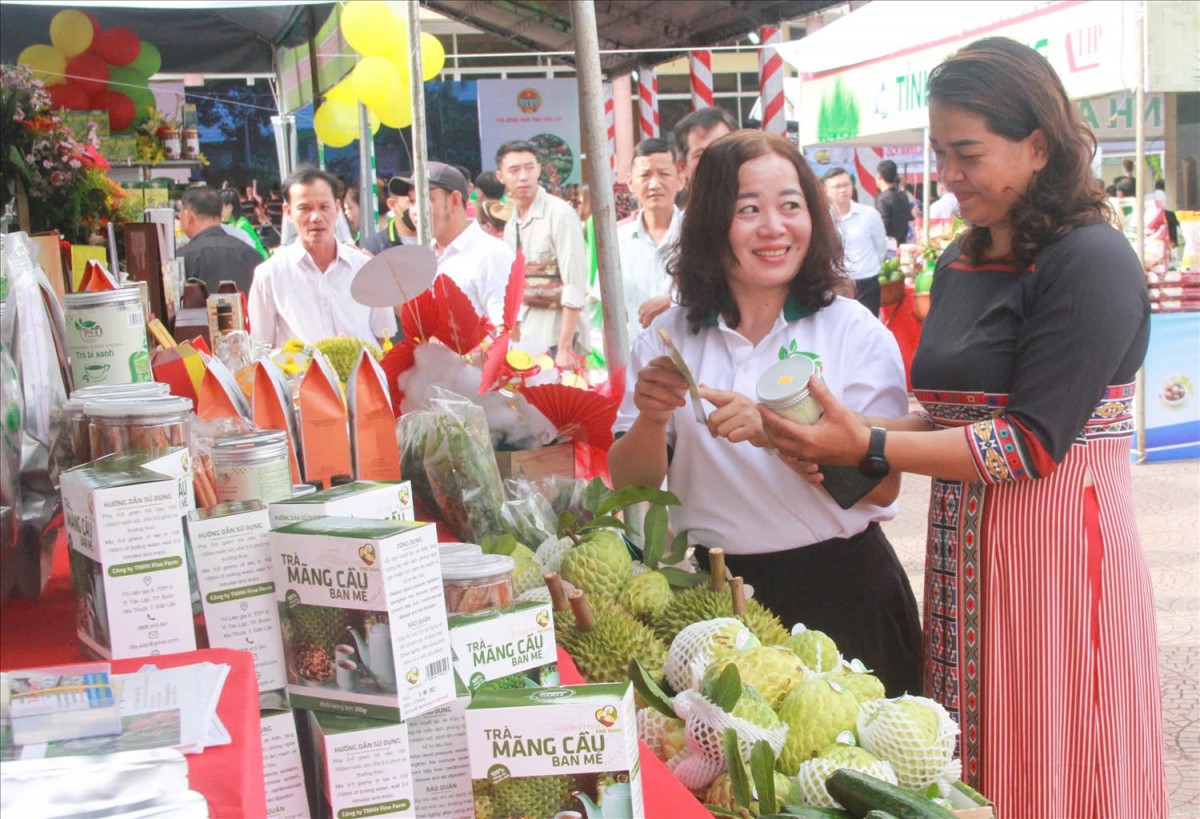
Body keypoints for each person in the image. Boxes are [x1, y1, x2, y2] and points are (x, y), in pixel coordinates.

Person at [765, 37, 1166, 816]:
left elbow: (1030, 442)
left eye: (967, 154)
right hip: (960, 577)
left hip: (1059, 575)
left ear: (1038, 144)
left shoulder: (1091, 262)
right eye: (940, 152)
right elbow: (944, 417)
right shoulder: (957, 262)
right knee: (967, 765)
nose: (947, 176)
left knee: (1061, 767)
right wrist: (834, 432)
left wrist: (869, 442)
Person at [607, 130, 921, 697]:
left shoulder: (853, 331)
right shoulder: (666, 336)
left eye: (791, 206)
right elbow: (631, 485)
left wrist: (775, 434)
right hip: (712, 605)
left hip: (843, 593)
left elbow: (882, 489)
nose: (774, 228)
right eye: (748, 209)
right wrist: (653, 418)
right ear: (708, 223)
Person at [248, 167, 396, 348]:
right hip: (301, 376)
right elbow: (260, 348)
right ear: (288, 212)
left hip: (362, 375)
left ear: (337, 208)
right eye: (304, 208)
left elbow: (384, 337)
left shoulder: (367, 268)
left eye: (324, 207)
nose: (316, 217)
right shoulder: (270, 274)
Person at [497, 139, 589, 367]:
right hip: (526, 337)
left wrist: (565, 346)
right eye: (514, 170)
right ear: (501, 177)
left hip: (556, 338)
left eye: (529, 167)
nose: (523, 176)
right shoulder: (511, 225)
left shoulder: (560, 214)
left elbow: (575, 284)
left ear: (539, 169)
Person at [401, 162, 513, 327]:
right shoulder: (424, 257)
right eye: (411, 201)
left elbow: (506, 332)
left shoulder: (491, 255)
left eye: (425, 200)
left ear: (454, 200)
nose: (416, 210)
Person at [617, 138, 684, 344]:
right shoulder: (617, 241)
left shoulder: (699, 235)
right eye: (645, 175)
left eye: (664, 174)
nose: (654, 184)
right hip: (636, 359)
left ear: (681, 179)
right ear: (630, 182)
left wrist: (673, 303)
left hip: (692, 359)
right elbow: (603, 311)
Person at [823, 167, 887, 316]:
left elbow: (880, 247)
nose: (843, 190)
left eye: (847, 185)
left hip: (866, 283)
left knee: (867, 329)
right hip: (837, 284)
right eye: (837, 186)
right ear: (826, 190)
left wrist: (868, 268)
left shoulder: (869, 215)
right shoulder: (823, 220)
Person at [178, 187, 263, 294]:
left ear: (188, 216)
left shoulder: (183, 258)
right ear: (221, 214)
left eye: (180, 213)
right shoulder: (251, 253)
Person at [672, 106, 738, 206]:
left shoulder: (762, 214)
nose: (714, 160)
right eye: (701, 155)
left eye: (722, 150)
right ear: (682, 167)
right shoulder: (678, 221)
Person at [361, 176, 417, 255]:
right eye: (411, 201)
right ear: (392, 204)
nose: (416, 208)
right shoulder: (375, 247)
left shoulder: (436, 241)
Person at [219, 189, 269, 259]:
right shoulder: (232, 224)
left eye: (219, 207)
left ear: (230, 207)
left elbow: (254, 248)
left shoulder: (241, 224)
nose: (217, 210)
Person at [873, 159, 912, 246]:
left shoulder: (883, 199)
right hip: (902, 243)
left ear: (879, 176)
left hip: (889, 247)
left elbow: (884, 226)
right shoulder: (902, 195)